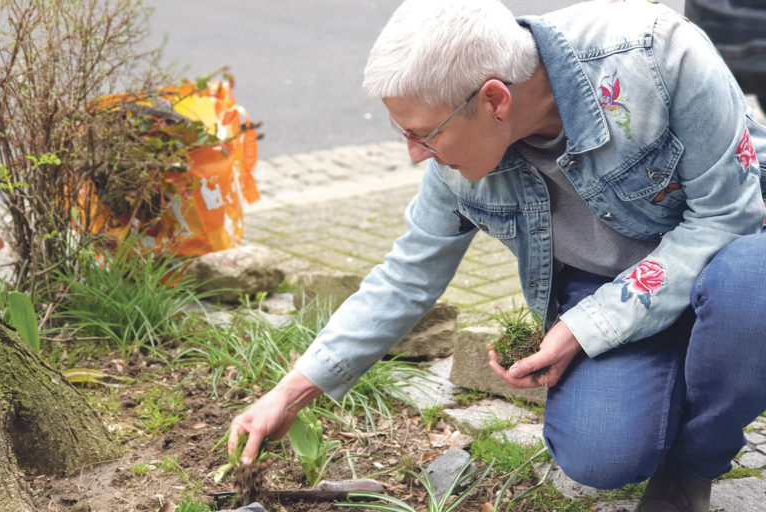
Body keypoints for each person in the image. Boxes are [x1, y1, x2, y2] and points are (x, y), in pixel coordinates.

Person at [228, 1, 766, 510]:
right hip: (611, 280)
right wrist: (291, 392)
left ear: (494, 101)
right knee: (601, 453)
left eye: (422, 135)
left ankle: (695, 463)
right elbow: (407, 276)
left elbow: (726, 219)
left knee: (750, 288)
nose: (415, 155)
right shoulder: (453, 165)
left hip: (733, 256)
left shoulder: (660, 54)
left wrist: (586, 327)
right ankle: (686, 372)